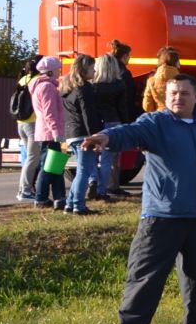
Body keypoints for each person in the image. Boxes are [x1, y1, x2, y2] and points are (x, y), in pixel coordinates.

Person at [80, 74, 196, 324]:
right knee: (143, 281)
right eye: (173, 93)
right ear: (166, 98)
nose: (178, 97)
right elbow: (128, 132)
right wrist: (105, 137)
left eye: (184, 93)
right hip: (161, 218)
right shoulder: (155, 123)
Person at [88, 43, 135, 200]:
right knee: (109, 160)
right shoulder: (119, 84)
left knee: (92, 157)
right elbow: (122, 108)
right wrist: (126, 124)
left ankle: (93, 180)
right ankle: (103, 191)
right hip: (113, 122)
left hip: (96, 123)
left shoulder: (92, 87)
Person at [60, 54, 101, 215]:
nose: (95, 71)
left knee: (82, 169)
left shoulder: (67, 88)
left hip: (71, 133)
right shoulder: (85, 88)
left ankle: (70, 203)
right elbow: (88, 114)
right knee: (85, 170)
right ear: (84, 70)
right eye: (92, 68)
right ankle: (78, 205)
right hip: (83, 133)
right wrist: (94, 136)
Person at [27, 56, 67, 209]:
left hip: (50, 132)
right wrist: (57, 132)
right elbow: (49, 113)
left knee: (57, 166)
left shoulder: (43, 86)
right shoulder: (47, 88)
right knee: (50, 167)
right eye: (58, 69)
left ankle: (59, 198)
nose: (59, 72)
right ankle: (41, 198)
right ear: (49, 72)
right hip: (52, 133)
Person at [13, 55, 41, 203]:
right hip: (33, 123)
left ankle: (23, 189)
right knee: (33, 159)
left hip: (21, 123)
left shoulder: (23, 79)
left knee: (30, 158)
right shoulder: (37, 81)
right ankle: (25, 190)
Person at [141, 47, 181, 114]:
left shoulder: (151, 81)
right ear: (176, 62)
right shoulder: (183, 81)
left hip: (159, 116)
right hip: (178, 117)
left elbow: (147, 106)